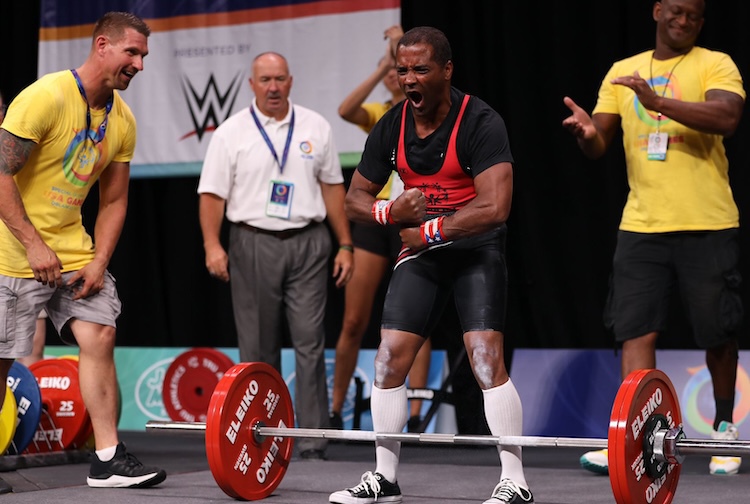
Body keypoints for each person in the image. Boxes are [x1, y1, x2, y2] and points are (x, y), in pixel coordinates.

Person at [330, 27, 533, 504]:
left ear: (446, 70)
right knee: (387, 358)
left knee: (486, 359)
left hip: (475, 249)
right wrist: (389, 212)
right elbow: (354, 199)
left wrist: (430, 231)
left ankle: (515, 481)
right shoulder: (391, 124)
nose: (408, 79)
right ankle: (385, 478)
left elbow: (496, 206)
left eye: (420, 69)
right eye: (402, 70)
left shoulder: (480, 121)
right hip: (421, 252)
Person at [563, 0, 745, 477]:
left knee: (718, 331)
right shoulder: (623, 71)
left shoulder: (715, 63)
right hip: (642, 224)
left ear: (702, 22)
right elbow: (600, 141)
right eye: (675, 12)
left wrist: (658, 102)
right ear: (657, 10)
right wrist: (585, 133)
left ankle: (725, 429)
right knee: (634, 331)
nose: (682, 22)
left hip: (707, 221)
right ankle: (636, 437)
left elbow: (727, 118)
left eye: (693, 16)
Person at [0, 11, 166, 493]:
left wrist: (98, 262)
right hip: (13, 252)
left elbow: (114, 200)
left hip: (74, 253)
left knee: (99, 336)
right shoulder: (46, 97)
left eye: (143, 56)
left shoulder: (122, 120)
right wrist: (33, 245)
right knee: (4, 361)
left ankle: (108, 458)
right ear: (101, 46)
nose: (138, 64)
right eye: (131, 52)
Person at [198, 51, 354, 461]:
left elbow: (333, 188)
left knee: (310, 342)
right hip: (252, 242)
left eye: (279, 79)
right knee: (258, 346)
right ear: (251, 84)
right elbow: (212, 194)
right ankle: (260, 435)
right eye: (264, 79)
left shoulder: (315, 126)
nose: (272, 87)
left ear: (291, 81)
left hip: (309, 242)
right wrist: (213, 244)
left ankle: (314, 439)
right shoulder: (231, 132)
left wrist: (345, 244)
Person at [331, 24, 432, 433]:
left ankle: (416, 414)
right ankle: (336, 408)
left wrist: (396, 51)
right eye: (396, 69)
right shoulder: (383, 116)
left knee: (417, 318)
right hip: (378, 218)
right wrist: (379, 70)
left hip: (416, 216)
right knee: (354, 321)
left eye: (406, 70)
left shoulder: (426, 114)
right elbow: (344, 109)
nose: (400, 76)